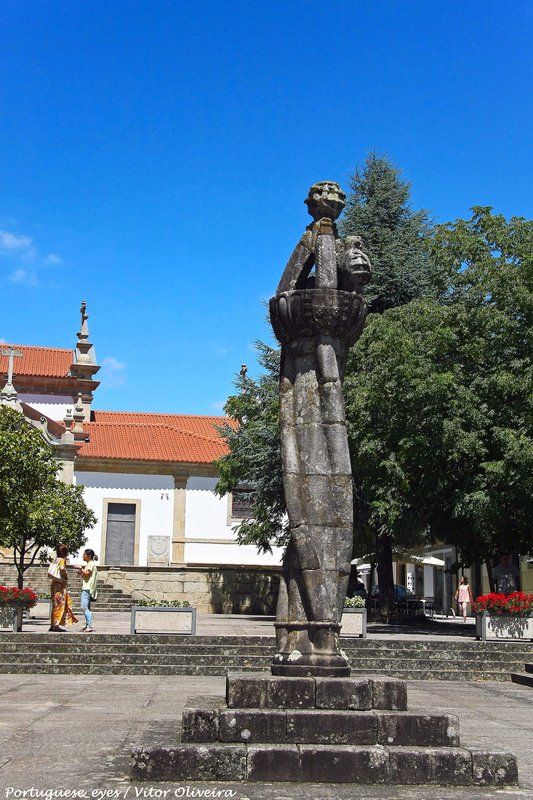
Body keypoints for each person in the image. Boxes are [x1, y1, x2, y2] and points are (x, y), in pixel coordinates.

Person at [49, 543, 78, 632]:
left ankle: (52, 625)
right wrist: (65, 574)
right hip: (60, 585)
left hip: (54, 584)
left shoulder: (55, 559)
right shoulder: (61, 560)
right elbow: (61, 568)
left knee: (55, 605)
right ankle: (56, 626)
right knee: (59, 605)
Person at [76, 549, 98, 633]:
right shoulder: (90, 564)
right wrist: (81, 572)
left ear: (89, 556)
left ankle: (89, 625)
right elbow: (87, 576)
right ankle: (87, 625)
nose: (83, 556)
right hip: (88, 588)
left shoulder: (90, 564)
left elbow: (87, 573)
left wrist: (80, 568)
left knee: (84, 607)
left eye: (84, 554)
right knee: (87, 607)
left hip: (87, 588)